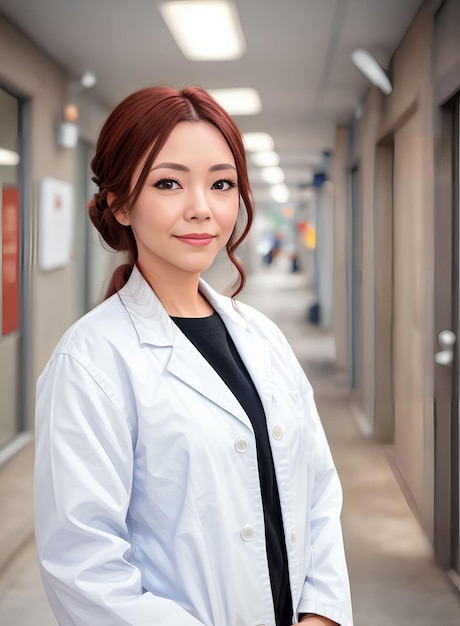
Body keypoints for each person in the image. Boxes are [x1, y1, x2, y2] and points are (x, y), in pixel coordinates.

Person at [34, 85, 353, 626]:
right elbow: (83, 567)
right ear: (120, 203)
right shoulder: (91, 361)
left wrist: (322, 612)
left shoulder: (263, 337)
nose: (201, 208)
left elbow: (317, 489)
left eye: (222, 183)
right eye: (169, 182)